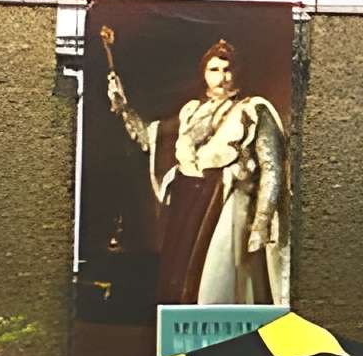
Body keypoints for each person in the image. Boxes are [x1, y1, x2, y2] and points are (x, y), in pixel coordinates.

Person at [100, 31, 292, 305]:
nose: (222, 76)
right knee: (185, 285)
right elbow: (150, 139)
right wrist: (124, 108)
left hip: (230, 205)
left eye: (228, 69)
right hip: (189, 205)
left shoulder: (254, 110)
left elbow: (272, 168)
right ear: (204, 73)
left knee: (221, 283)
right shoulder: (191, 112)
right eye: (214, 69)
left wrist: (261, 224)